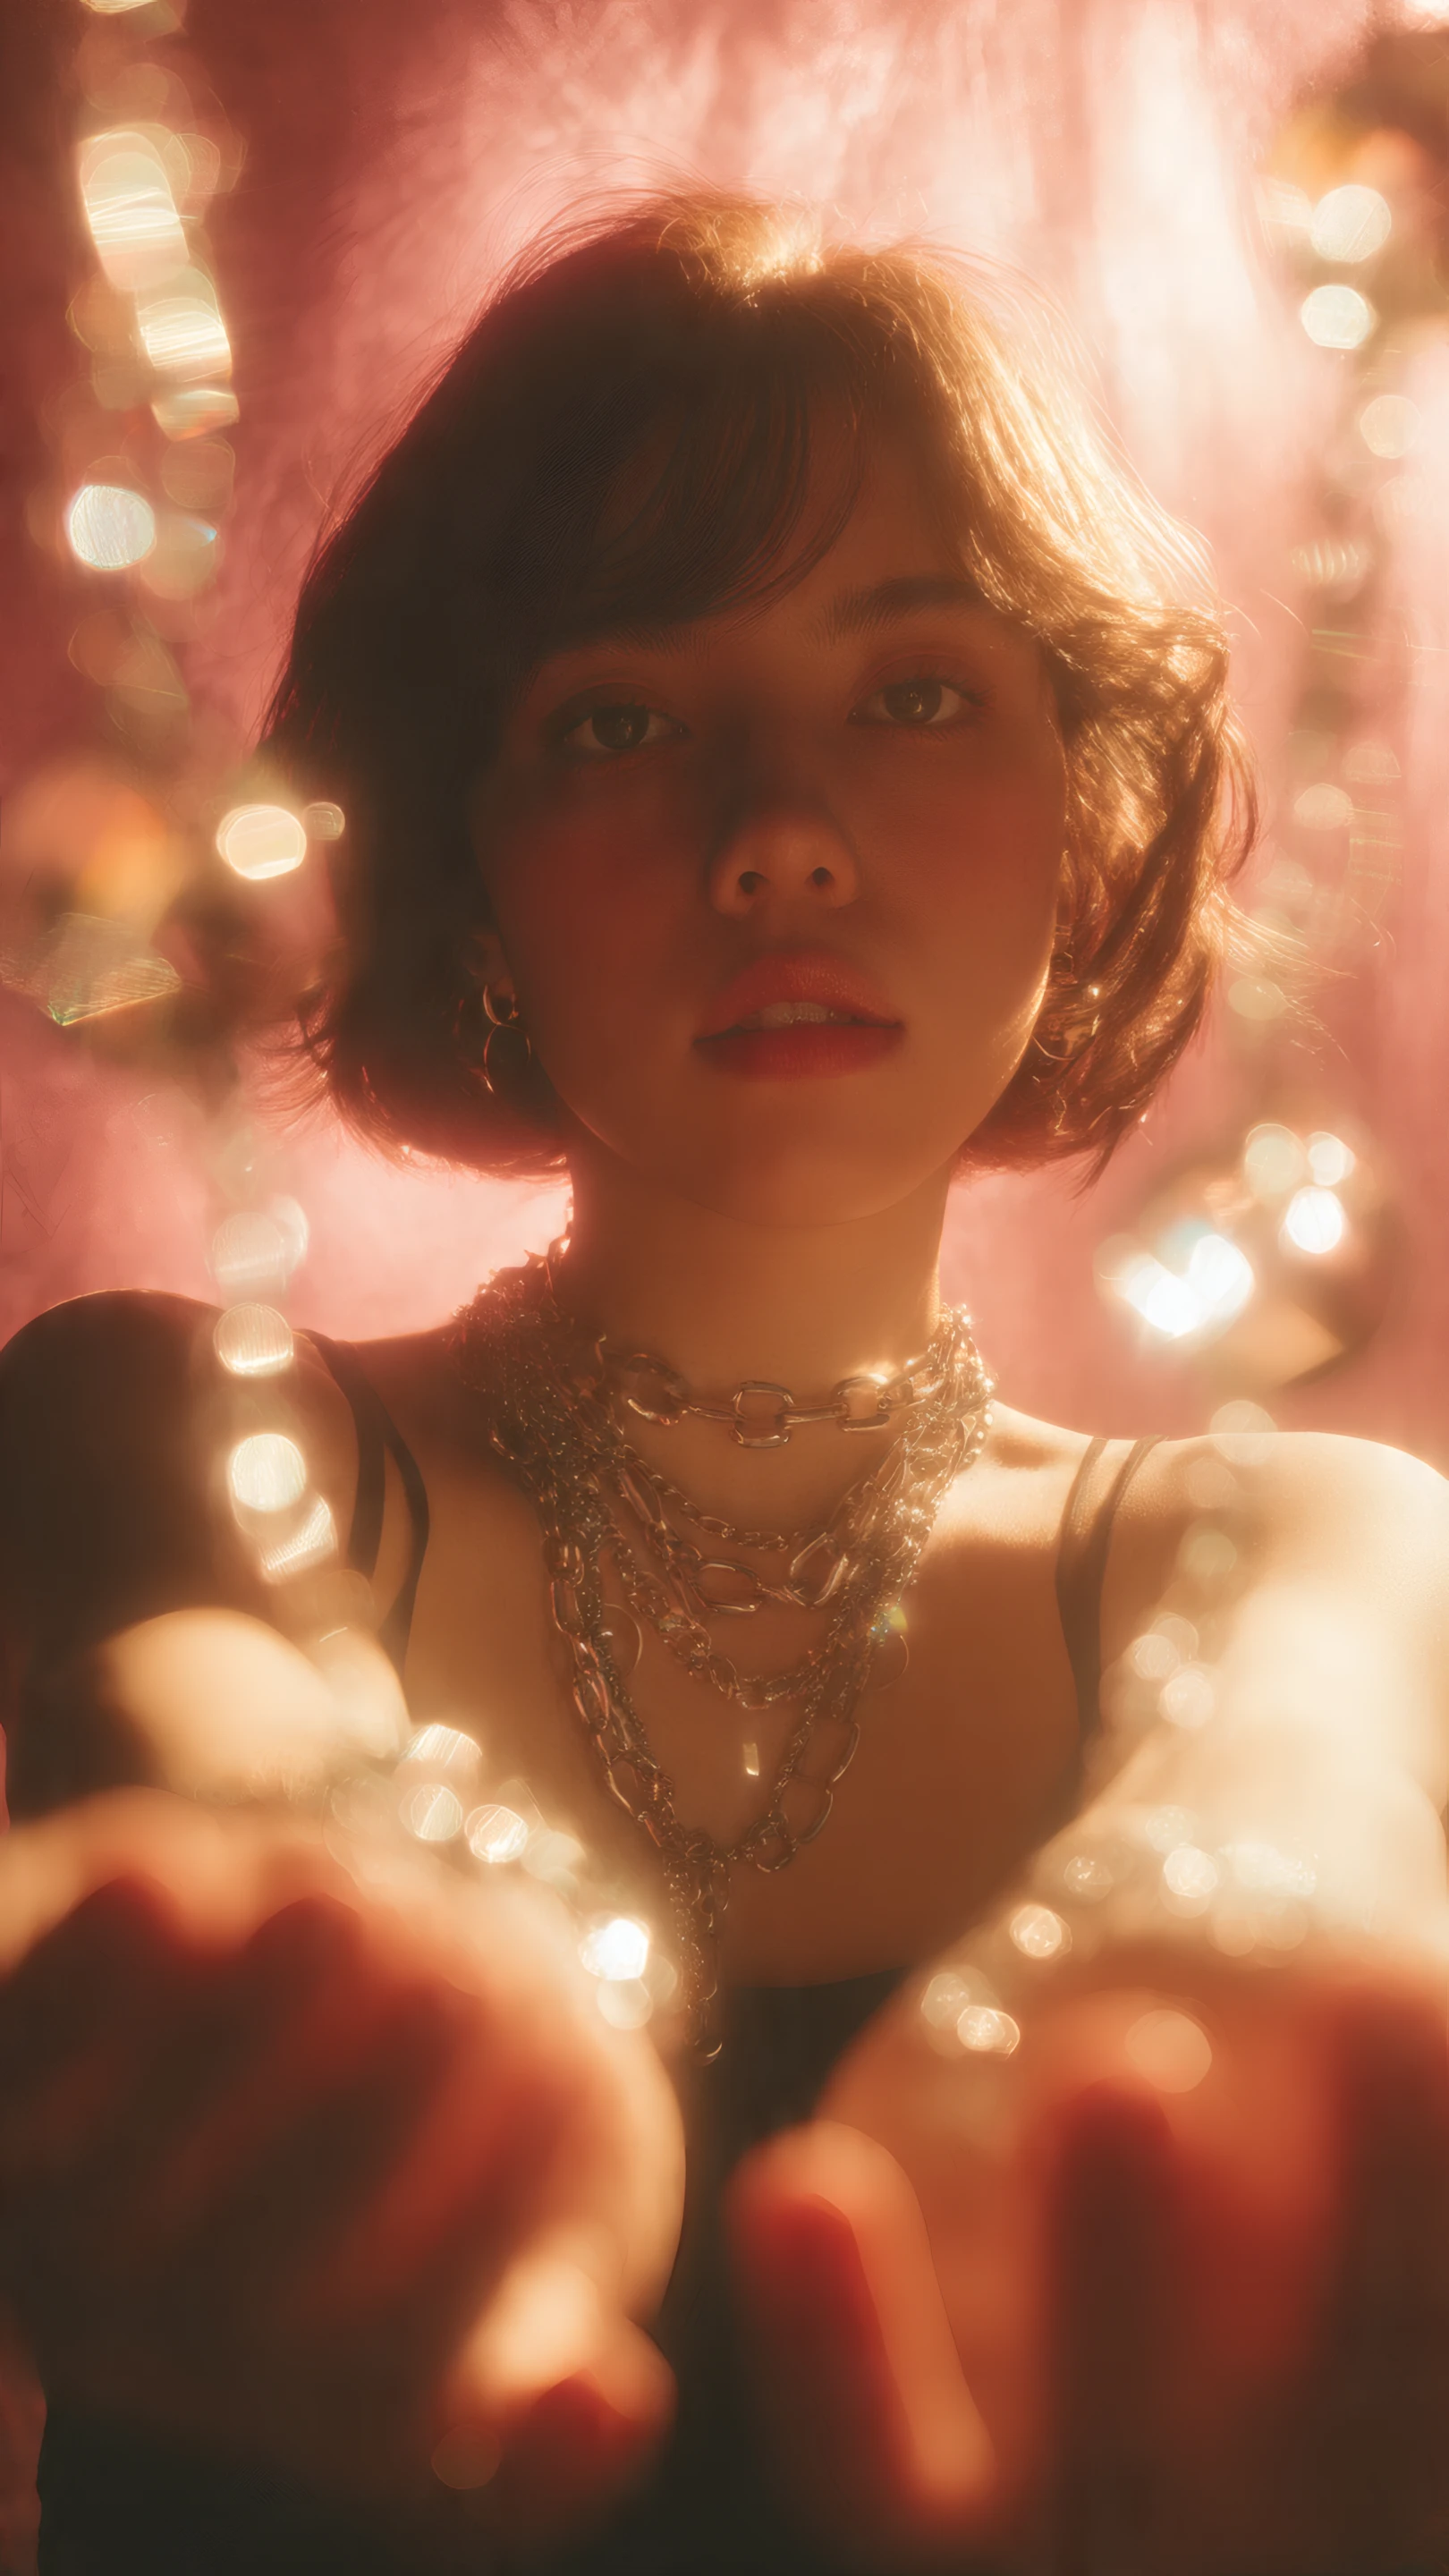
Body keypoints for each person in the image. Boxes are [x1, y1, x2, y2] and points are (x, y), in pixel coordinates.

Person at [1, 189, 1447, 2576]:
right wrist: (286, 1905)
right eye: (619, 718)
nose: (774, 840)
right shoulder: (165, 1416)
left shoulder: (1303, 1536)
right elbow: (201, 1710)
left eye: (908, 690)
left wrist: (1257, 1955)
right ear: (453, 863)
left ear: (1085, 826)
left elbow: (1289, 1781)